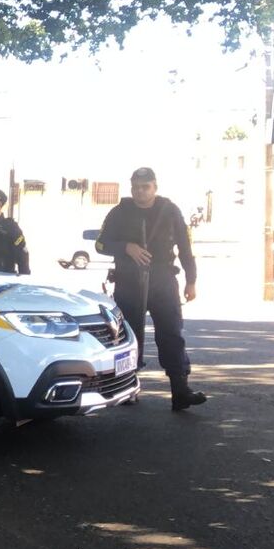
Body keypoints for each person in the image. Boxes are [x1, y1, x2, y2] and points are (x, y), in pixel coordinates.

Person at [96, 167, 208, 411]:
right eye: (136, 186)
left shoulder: (170, 210)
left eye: (145, 187)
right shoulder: (119, 211)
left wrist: (191, 280)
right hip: (128, 281)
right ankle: (127, 389)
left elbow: (185, 247)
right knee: (128, 337)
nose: (140, 191)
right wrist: (126, 247)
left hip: (163, 281)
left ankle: (180, 391)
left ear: (155, 187)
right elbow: (101, 244)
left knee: (171, 334)